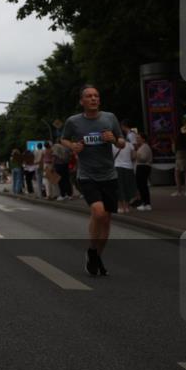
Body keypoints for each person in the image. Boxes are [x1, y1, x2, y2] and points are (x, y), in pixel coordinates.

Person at [60, 85, 125, 277]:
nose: (93, 99)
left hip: (109, 175)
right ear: (82, 101)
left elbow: (122, 142)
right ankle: (91, 249)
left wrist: (114, 139)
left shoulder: (109, 118)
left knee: (106, 221)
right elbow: (63, 139)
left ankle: (95, 256)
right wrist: (72, 145)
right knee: (98, 212)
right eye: (89, 96)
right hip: (87, 175)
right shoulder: (74, 122)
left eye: (96, 95)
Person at [112, 133, 136, 214]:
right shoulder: (130, 145)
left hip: (117, 167)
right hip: (128, 168)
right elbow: (133, 156)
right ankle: (127, 207)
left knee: (119, 188)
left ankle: (120, 207)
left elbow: (111, 157)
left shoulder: (113, 145)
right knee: (127, 187)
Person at [132, 131, 153, 211]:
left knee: (142, 186)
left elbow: (143, 158)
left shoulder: (145, 147)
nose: (137, 139)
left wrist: (136, 154)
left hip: (143, 167)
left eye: (138, 138)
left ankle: (146, 203)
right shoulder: (142, 147)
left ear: (143, 139)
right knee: (141, 186)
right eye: (136, 138)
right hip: (141, 167)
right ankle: (145, 203)